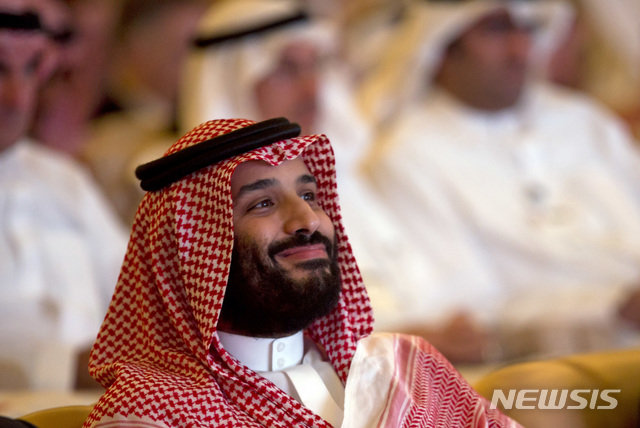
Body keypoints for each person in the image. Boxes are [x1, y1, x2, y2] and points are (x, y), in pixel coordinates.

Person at [83, 117, 519, 427]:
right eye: (263, 204)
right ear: (194, 248)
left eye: (309, 195)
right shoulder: (153, 412)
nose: (307, 220)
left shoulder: (403, 370)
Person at [358, 0, 640, 363]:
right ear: (443, 46)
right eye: (496, 29)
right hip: (556, 366)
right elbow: (466, 315)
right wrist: (611, 312)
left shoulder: (584, 121)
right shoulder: (406, 155)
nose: (520, 49)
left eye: (528, 28)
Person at [0, 0, 128, 390]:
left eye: (30, 71)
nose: (18, 99)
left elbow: (136, 298)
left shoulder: (65, 180)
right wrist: (66, 368)